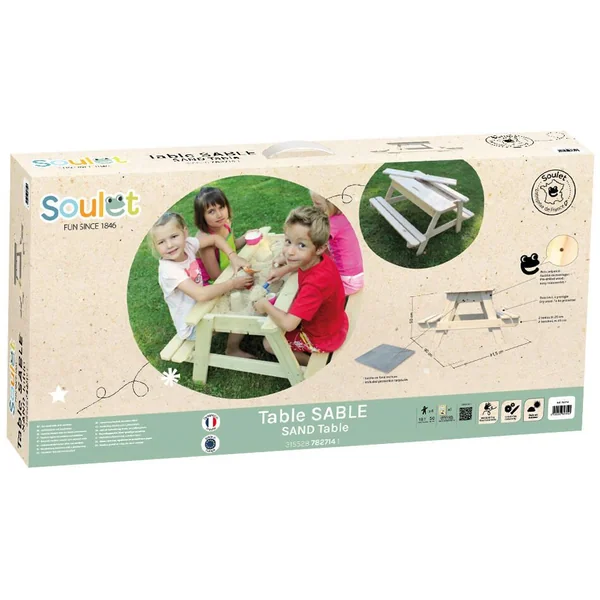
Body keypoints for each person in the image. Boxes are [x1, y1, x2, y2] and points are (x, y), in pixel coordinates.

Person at [253, 206, 348, 366]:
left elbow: (289, 325)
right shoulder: (321, 258)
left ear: (320, 248)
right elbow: (304, 262)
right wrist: (284, 269)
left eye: (301, 245)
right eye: (288, 241)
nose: (290, 252)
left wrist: (265, 306)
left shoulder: (314, 284)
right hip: (334, 322)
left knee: (269, 344)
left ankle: (316, 364)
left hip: (322, 337)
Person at [151, 212, 254, 357]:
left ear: (185, 233)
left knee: (240, 297)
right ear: (155, 246)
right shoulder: (169, 270)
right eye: (161, 242)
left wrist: (233, 256)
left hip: (205, 307)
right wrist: (232, 284)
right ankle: (232, 349)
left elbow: (215, 239)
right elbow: (201, 295)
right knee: (241, 311)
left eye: (174, 236)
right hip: (192, 324)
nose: (169, 245)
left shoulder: (187, 245)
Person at [309, 191, 364, 295]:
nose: (314, 207)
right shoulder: (345, 216)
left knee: (312, 281)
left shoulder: (331, 223)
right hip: (359, 274)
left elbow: (311, 245)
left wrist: (287, 267)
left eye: (317, 203)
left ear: (332, 204)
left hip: (347, 282)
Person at [193, 186, 247, 284]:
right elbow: (215, 276)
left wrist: (246, 237)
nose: (219, 215)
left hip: (230, 270)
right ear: (202, 216)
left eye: (221, 207)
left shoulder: (225, 224)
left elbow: (233, 245)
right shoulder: (205, 240)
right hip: (213, 283)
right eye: (211, 211)